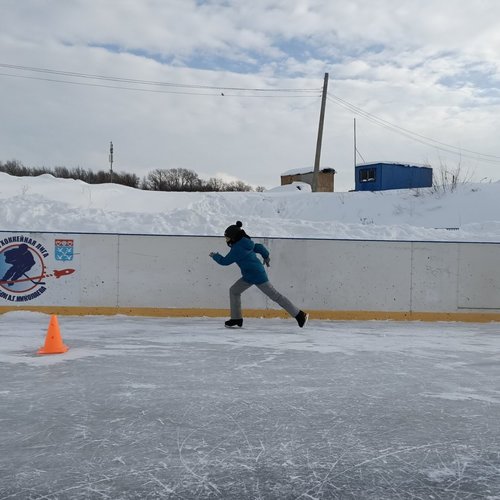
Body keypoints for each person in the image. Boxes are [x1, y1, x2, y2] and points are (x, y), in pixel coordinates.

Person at [209, 221, 308, 328]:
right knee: (234, 291)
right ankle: (236, 318)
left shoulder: (237, 249)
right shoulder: (245, 243)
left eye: (227, 237)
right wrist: (266, 256)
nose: (226, 240)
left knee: (276, 296)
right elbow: (259, 247)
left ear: (233, 237)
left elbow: (224, 261)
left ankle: (300, 315)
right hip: (248, 276)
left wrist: (215, 255)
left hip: (257, 276)